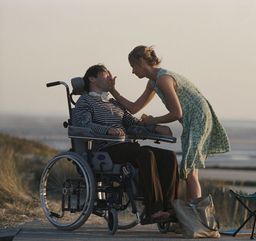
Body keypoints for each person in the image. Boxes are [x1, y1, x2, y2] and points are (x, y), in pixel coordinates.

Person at [110, 45, 230, 201]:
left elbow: (176, 113)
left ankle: (195, 214)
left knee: (189, 170)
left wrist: (154, 120)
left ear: (141, 62)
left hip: (198, 119)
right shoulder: (153, 82)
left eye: (133, 67)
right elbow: (134, 108)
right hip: (192, 121)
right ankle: (190, 212)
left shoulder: (163, 79)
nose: (132, 71)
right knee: (189, 171)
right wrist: (113, 91)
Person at [72, 64, 179, 222]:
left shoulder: (114, 103)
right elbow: (84, 124)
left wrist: (155, 127)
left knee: (168, 156)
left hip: (126, 147)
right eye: (105, 73)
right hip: (105, 150)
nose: (110, 76)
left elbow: (133, 124)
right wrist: (107, 130)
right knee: (145, 154)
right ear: (92, 78)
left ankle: (168, 209)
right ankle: (152, 210)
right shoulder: (85, 101)